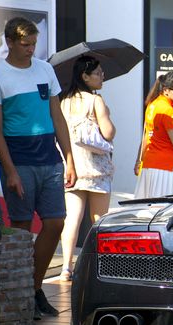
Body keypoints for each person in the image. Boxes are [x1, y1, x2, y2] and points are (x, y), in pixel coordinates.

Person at [0, 17, 77, 319]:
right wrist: (10, 170)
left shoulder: (45, 69)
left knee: (55, 223)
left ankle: (35, 287)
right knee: (23, 229)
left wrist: (69, 158)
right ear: (10, 42)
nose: (30, 50)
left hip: (49, 158)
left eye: (34, 44)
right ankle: (23, 295)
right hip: (19, 158)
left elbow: (57, 115)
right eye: (25, 44)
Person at [59, 56, 116, 282]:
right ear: (85, 76)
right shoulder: (95, 101)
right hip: (96, 168)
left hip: (71, 166)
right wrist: (107, 113)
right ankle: (98, 264)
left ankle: (66, 267)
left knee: (72, 217)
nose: (103, 76)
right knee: (98, 219)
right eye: (99, 73)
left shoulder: (63, 100)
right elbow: (109, 133)